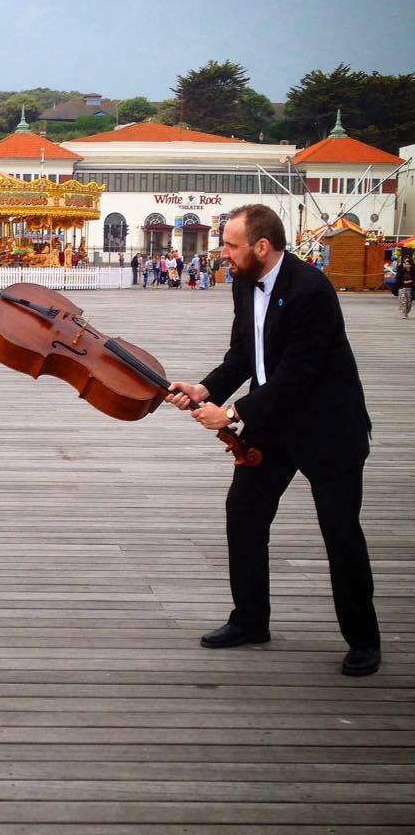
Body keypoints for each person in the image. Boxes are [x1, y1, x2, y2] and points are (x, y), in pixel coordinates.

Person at [166, 204, 380, 677]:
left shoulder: (312, 291)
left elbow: (298, 374)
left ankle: (364, 639)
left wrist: (233, 413)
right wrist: (207, 388)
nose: (223, 253)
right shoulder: (245, 281)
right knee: (243, 513)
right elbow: (245, 352)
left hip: (327, 428)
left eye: (230, 245)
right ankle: (249, 620)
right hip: (274, 425)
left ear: (262, 247)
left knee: (340, 532)